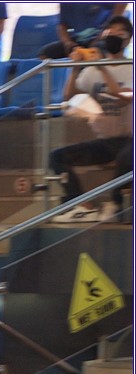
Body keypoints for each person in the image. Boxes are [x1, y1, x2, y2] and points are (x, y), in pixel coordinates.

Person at [49, 16, 133, 224]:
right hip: (106, 142)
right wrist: (75, 68)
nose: (113, 36)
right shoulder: (92, 70)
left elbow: (123, 99)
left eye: (119, 33)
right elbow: (68, 96)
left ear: (128, 39)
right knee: (57, 157)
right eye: (110, 32)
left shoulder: (130, 67)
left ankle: (115, 203)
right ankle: (81, 204)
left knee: (127, 156)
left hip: (129, 139)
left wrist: (103, 68)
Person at [41, 3, 129, 60]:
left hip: (102, 36)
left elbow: (118, 13)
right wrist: (68, 43)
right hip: (79, 40)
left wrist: (100, 37)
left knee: (96, 53)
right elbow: (62, 25)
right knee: (45, 54)